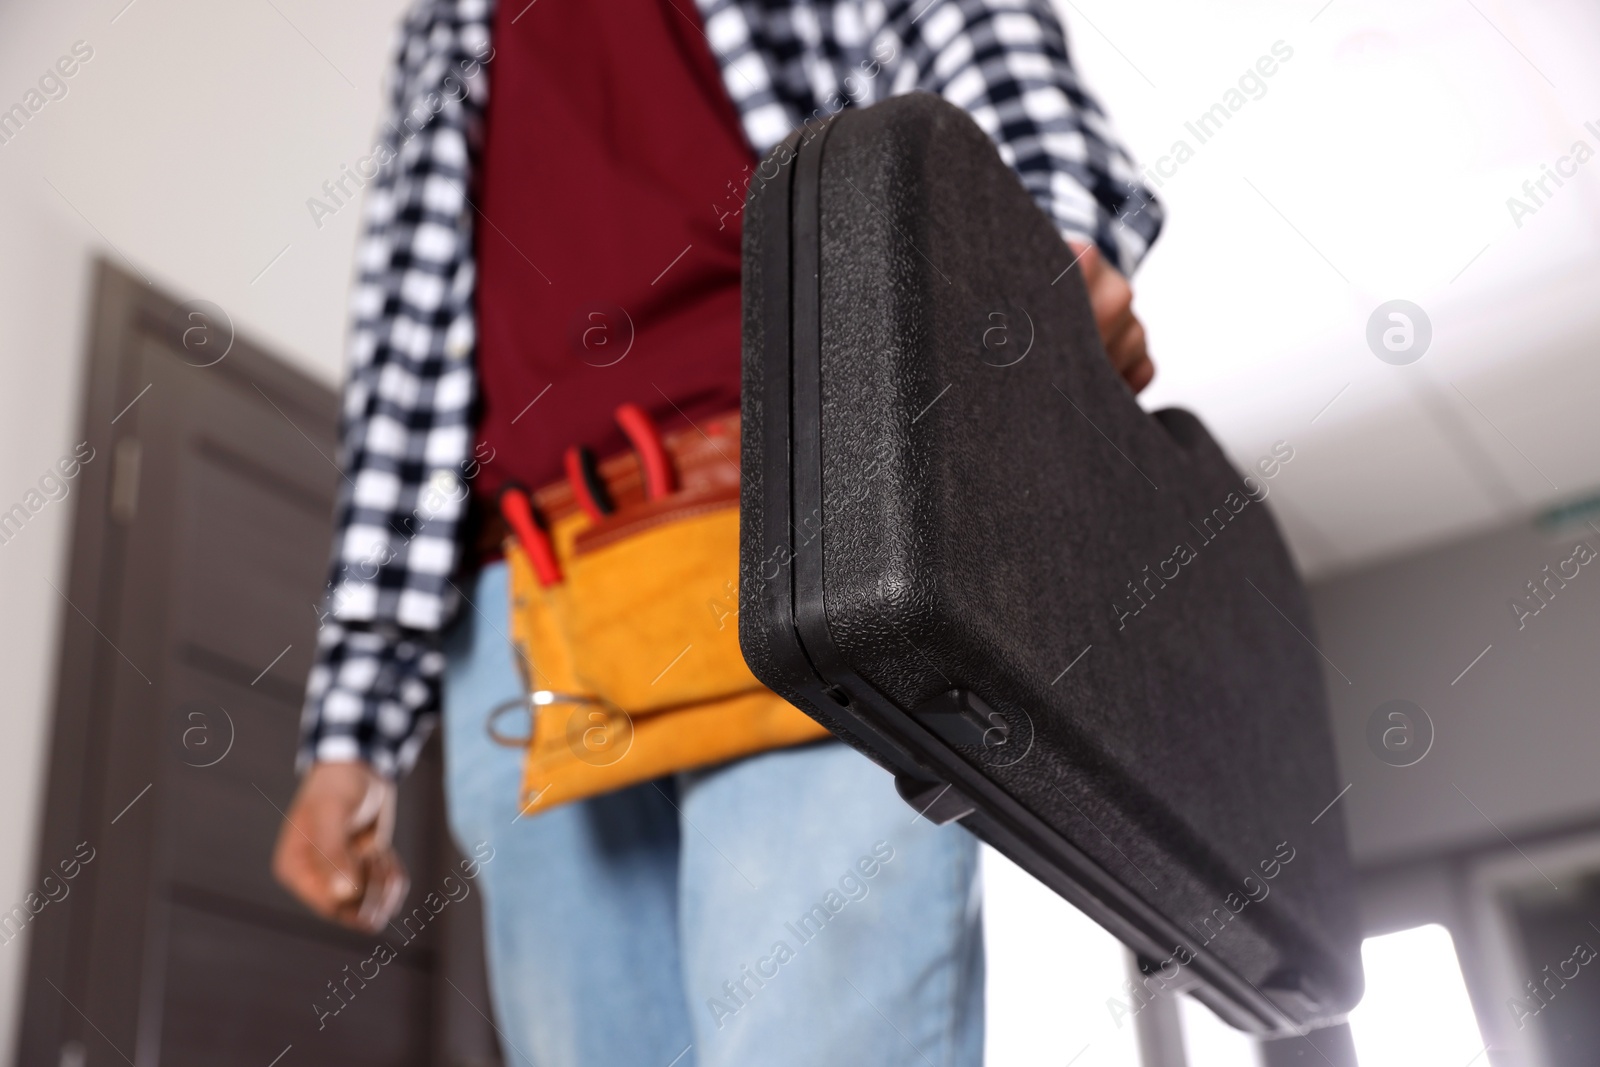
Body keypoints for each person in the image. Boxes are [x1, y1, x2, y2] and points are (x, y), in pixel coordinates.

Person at [272, 0, 1161, 1062]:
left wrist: (1038, 240)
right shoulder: (437, 19)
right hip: (515, 612)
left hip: (819, 519)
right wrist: (352, 728)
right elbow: (402, 354)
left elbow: (963, 25)